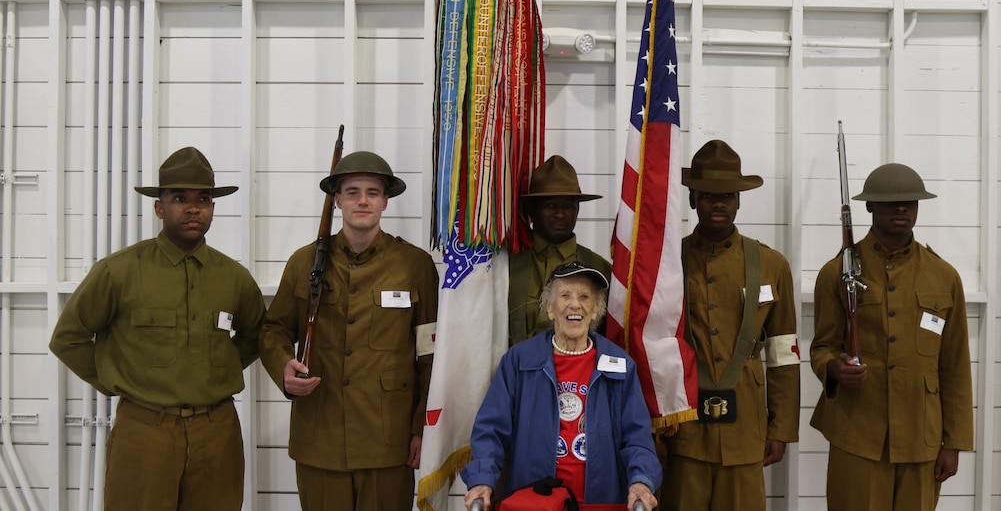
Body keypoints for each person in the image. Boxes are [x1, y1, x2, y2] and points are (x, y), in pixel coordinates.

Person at [48, 146, 266, 511]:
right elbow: (68, 338)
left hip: (218, 433)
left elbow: (256, 336)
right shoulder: (118, 271)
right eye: (180, 197)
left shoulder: (234, 278)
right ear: (159, 207)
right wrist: (117, 378)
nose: (194, 207)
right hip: (144, 431)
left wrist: (213, 373)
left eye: (204, 198)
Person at [258, 150, 439, 511]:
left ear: (386, 201)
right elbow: (274, 328)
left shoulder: (414, 265)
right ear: (336, 199)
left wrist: (421, 428)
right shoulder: (303, 262)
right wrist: (283, 367)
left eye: (373, 192)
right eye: (352, 191)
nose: (362, 200)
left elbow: (430, 355)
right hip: (319, 437)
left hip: (388, 440)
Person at [809, 163, 973, 511]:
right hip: (858, 433)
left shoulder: (943, 276)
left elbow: (955, 365)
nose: (901, 208)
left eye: (909, 201)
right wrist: (835, 368)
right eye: (890, 202)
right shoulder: (836, 273)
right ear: (869, 207)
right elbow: (821, 347)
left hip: (921, 436)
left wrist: (954, 442)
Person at [659, 140, 801, 511]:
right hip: (683, 429)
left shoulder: (771, 265)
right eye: (707, 195)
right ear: (692, 200)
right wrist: (651, 429)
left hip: (746, 430)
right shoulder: (667, 263)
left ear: (739, 200)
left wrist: (781, 428)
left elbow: (783, 354)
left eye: (727, 195)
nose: (718, 203)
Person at [463, 262, 661, 511]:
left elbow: (637, 438)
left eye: (585, 296)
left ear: (595, 310)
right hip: (535, 500)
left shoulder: (620, 365)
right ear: (550, 308)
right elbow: (490, 429)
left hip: (601, 502)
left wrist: (641, 481)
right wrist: (482, 479)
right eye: (565, 295)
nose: (575, 304)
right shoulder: (519, 361)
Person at [509, 155, 611, 346]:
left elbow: (609, 338)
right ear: (532, 210)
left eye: (568, 206)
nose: (560, 214)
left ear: (577, 210)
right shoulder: (508, 266)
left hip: (581, 373)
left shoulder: (600, 270)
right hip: (517, 373)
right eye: (550, 206)